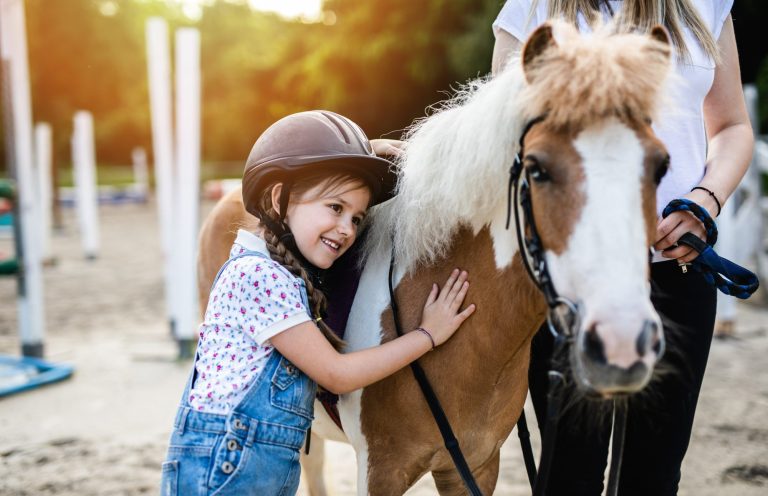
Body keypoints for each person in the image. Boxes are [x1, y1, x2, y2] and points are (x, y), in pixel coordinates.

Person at [492, 1, 754, 495]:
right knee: (569, 475)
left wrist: (705, 200)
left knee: (655, 477)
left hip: (678, 267)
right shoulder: (534, 6)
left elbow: (732, 126)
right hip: (572, 281)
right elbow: (506, 136)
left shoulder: (708, 5)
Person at [160, 110, 476, 496]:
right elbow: (336, 374)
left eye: (357, 218)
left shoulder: (280, 276)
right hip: (225, 470)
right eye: (336, 208)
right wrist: (427, 335)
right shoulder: (258, 276)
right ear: (278, 199)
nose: (347, 229)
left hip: (255, 467)